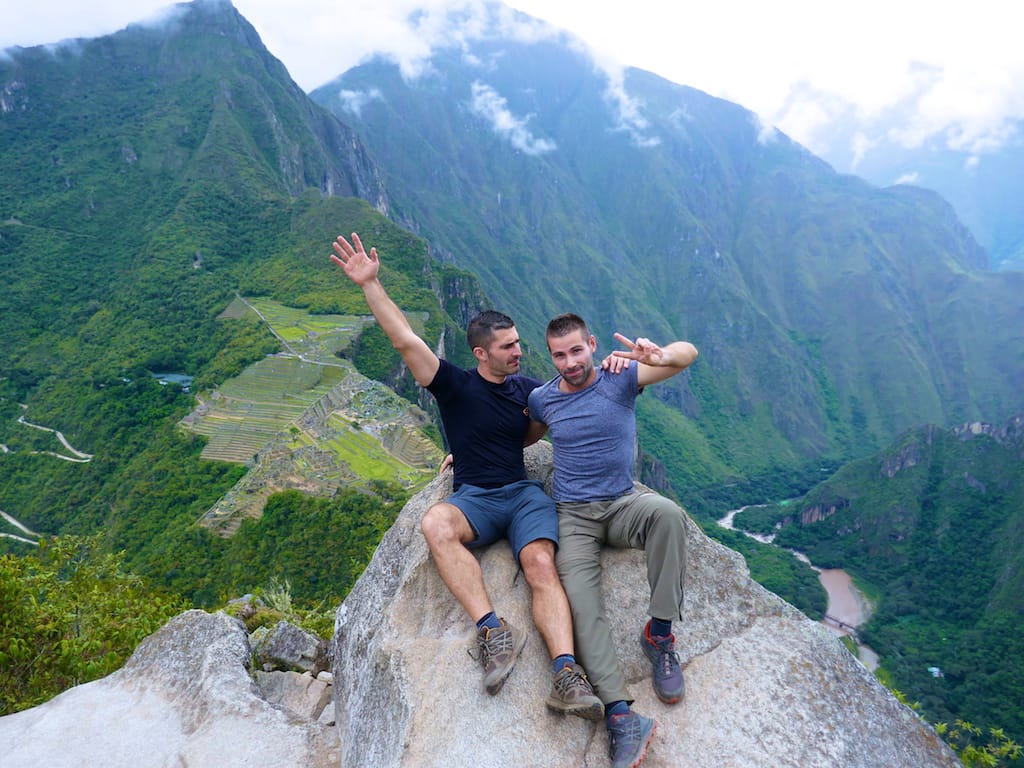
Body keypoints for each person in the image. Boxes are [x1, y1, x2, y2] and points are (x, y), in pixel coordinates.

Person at [330, 233, 602, 720]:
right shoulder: (452, 386)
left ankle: (566, 673)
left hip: (522, 495)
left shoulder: (528, 388)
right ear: (481, 353)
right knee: (435, 524)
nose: (520, 351)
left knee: (540, 563)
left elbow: (570, 397)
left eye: (518, 342)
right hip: (475, 498)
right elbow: (404, 339)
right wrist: (371, 285)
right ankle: (493, 631)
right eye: (509, 346)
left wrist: (625, 363)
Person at [527, 313, 698, 768]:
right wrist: (462, 453)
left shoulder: (618, 379)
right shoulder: (543, 399)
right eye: (559, 355)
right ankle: (621, 716)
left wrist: (658, 354)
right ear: (551, 356)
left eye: (576, 351)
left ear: (592, 345)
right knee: (581, 604)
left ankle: (658, 634)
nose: (569, 362)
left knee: (667, 515)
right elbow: (516, 436)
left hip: (623, 504)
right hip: (574, 517)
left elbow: (688, 355)